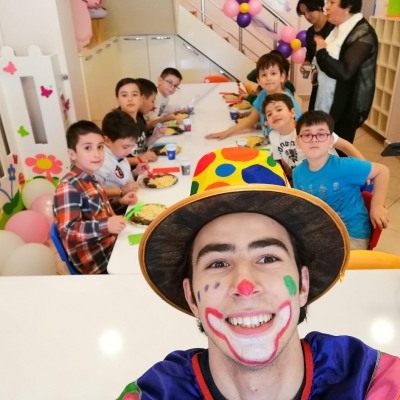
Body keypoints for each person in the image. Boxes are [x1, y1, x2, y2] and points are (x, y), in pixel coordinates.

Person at [117, 147, 400, 399]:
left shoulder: (366, 380)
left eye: (268, 258)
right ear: (191, 296)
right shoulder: (154, 394)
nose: (245, 285)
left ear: (303, 284)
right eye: (218, 263)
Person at [293, 110, 390, 250]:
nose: (314, 139)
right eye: (307, 135)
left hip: (352, 234)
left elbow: (382, 171)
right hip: (321, 231)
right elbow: (302, 205)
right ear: (298, 142)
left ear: (331, 141)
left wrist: (377, 206)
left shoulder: (346, 166)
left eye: (321, 134)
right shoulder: (297, 173)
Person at [53, 121, 136, 274]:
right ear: (72, 154)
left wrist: (120, 202)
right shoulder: (68, 187)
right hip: (99, 260)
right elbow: (67, 230)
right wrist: (106, 225)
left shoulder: (90, 178)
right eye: (87, 148)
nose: (97, 154)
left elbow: (98, 212)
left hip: (110, 243)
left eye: (100, 147)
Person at [313, 0, 378, 144]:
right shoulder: (335, 27)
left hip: (345, 105)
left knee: (337, 149)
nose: (326, 7)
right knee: (319, 144)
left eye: (332, 2)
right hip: (325, 96)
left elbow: (345, 72)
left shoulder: (363, 33)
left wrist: (322, 53)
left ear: (348, 6)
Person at [264, 93, 366, 180]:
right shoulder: (273, 136)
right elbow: (284, 161)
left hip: (330, 175)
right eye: (269, 114)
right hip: (304, 180)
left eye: (279, 109)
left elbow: (345, 146)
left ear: (292, 113)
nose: (274, 115)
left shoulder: (310, 129)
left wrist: (365, 168)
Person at [206, 52, 301, 141]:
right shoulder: (263, 95)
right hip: (269, 144)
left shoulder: (287, 100)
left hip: (285, 148)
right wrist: (226, 133)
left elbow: (299, 128)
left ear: (282, 77)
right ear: (258, 80)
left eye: (273, 73)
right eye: (264, 75)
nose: (268, 78)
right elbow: (251, 119)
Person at [94, 110, 147, 214]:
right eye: (125, 147)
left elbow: (118, 177)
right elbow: (94, 192)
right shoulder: (101, 162)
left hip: (131, 199)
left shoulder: (117, 152)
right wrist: (121, 190)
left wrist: (135, 172)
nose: (129, 151)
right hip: (116, 209)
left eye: (132, 146)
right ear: (107, 141)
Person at [296, 0, 335, 110]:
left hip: (333, 80)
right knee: (314, 112)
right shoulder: (310, 32)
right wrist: (307, 63)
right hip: (318, 80)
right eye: (304, 13)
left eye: (309, 10)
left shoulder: (334, 26)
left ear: (319, 6)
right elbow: (310, 54)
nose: (307, 16)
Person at [115, 78, 163, 164]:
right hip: (130, 171)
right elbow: (113, 159)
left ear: (141, 99)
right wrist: (140, 159)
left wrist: (155, 136)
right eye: (124, 95)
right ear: (118, 100)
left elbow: (141, 145)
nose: (130, 99)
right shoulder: (115, 123)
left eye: (134, 95)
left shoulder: (139, 119)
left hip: (143, 166)